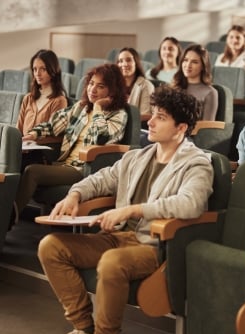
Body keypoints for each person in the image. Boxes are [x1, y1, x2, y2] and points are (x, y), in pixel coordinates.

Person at [37, 86, 213, 334]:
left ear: (181, 127)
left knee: (111, 263)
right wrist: (75, 194)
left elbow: (191, 203)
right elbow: (102, 179)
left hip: (155, 244)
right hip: (118, 237)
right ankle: (84, 331)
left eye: (161, 117)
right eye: (152, 115)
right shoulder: (138, 156)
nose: (150, 122)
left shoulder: (196, 162)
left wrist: (133, 211)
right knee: (51, 246)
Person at [14, 63, 129, 213]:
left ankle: (9, 217)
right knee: (19, 161)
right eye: (91, 84)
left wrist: (98, 108)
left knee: (32, 171)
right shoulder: (81, 107)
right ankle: (2, 209)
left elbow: (102, 138)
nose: (92, 89)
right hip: (63, 164)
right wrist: (32, 135)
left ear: (112, 91)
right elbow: (53, 125)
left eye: (100, 86)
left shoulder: (118, 115)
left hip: (83, 169)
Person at [17, 49, 68, 168]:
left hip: (43, 153)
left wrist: (31, 142)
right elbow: (18, 129)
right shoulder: (28, 98)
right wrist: (19, 144)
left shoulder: (59, 100)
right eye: (35, 69)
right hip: (24, 148)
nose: (37, 74)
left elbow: (54, 132)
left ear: (52, 71)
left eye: (43, 69)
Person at [172, 44, 219, 121]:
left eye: (194, 62)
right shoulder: (174, 87)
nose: (188, 65)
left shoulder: (210, 92)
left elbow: (207, 127)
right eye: (185, 60)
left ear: (203, 66)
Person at [117, 47, 155, 118]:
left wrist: (122, 120)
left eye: (128, 60)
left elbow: (147, 115)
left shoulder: (146, 85)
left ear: (136, 63)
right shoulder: (114, 85)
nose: (124, 64)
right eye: (121, 61)